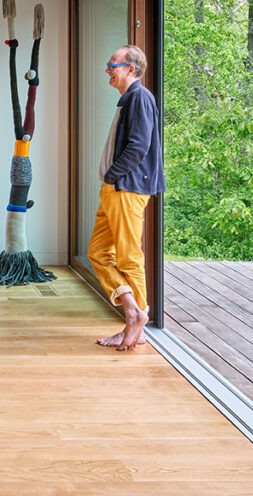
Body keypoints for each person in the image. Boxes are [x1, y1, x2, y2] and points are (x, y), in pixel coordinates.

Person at [88, 44, 164, 351]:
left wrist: (113, 175)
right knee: (98, 252)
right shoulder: (129, 99)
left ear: (131, 69)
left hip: (126, 189)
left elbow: (138, 146)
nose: (108, 70)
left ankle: (137, 321)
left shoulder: (140, 97)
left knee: (129, 257)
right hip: (115, 189)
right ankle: (133, 311)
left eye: (113, 65)